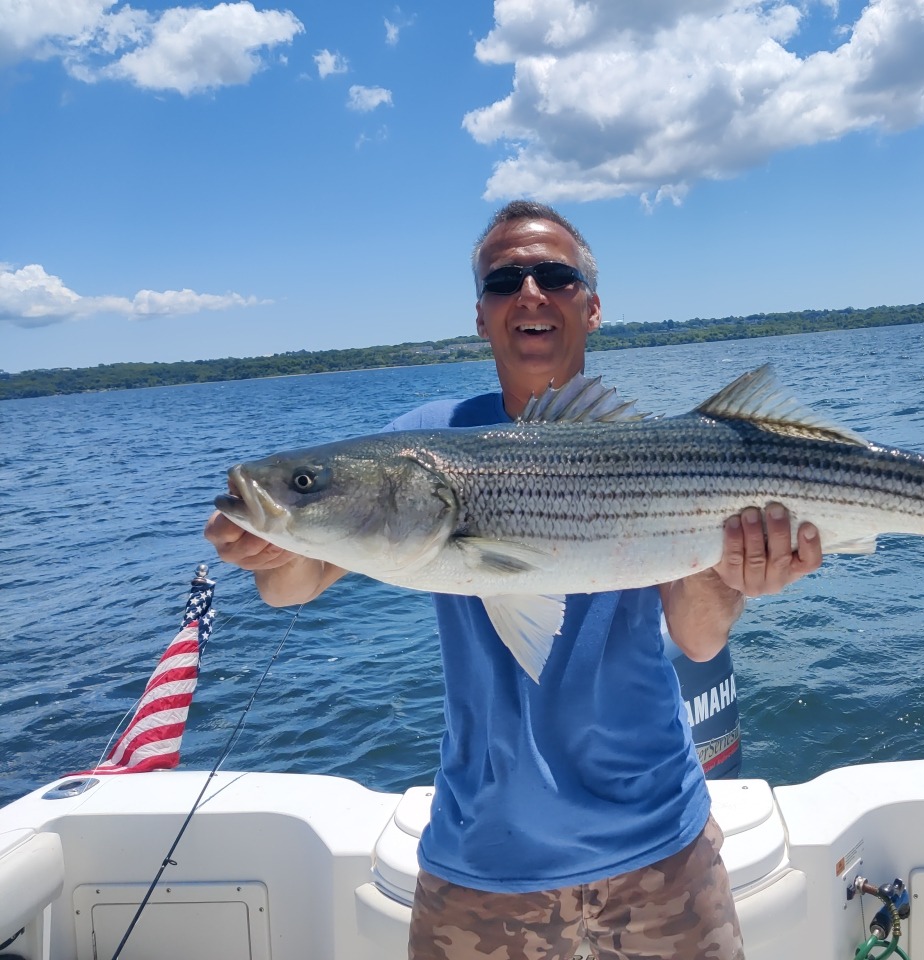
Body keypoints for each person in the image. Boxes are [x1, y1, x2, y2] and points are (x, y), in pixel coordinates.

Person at [205, 200, 823, 960]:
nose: (529, 292)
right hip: (484, 856)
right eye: (503, 281)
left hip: (662, 842)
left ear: (591, 307)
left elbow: (698, 638)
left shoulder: (659, 451)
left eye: (555, 276)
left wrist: (737, 570)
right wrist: (271, 543)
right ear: (481, 316)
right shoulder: (424, 440)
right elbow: (291, 586)